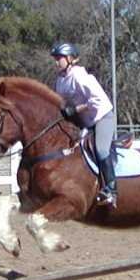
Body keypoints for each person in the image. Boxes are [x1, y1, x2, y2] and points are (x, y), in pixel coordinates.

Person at [50, 42, 117, 208]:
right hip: (84, 121)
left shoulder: (80, 76)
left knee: (101, 150)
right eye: (55, 58)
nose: (56, 62)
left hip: (102, 117)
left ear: (70, 59)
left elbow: (97, 100)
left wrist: (75, 109)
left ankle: (111, 189)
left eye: (59, 58)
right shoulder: (60, 81)